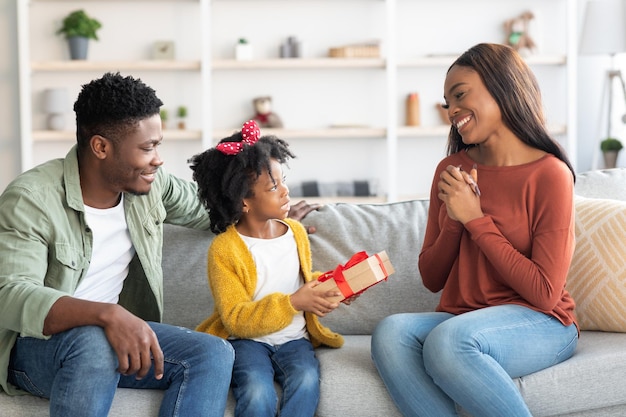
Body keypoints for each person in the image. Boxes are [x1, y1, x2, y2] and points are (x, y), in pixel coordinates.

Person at [0, 72, 318, 417]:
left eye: (158, 144)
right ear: (101, 147)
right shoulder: (31, 199)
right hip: (37, 350)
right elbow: (10, 292)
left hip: (117, 339)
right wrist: (107, 315)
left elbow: (219, 209)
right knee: (93, 343)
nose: (158, 158)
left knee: (214, 352)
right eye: (147, 147)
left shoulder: (152, 185)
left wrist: (270, 214)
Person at [371, 43, 578, 417]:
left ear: (503, 87)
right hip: (463, 319)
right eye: (447, 101)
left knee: (449, 342)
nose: (451, 111)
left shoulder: (550, 174)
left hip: (541, 323)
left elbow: (545, 294)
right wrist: (453, 219)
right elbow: (431, 278)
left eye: (460, 95)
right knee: (391, 333)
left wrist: (475, 220)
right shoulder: (450, 170)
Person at [189, 120, 350, 417]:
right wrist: (293, 302)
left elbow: (302, 281)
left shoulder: (296, 232)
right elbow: (236, 318)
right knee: (256, 389)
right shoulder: (224, 250)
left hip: (295, 340)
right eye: (273, 186)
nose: (286, 191)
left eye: (283, 180)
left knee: (306, 380)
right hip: (247, 343)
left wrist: (334, 286)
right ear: (244, 202)